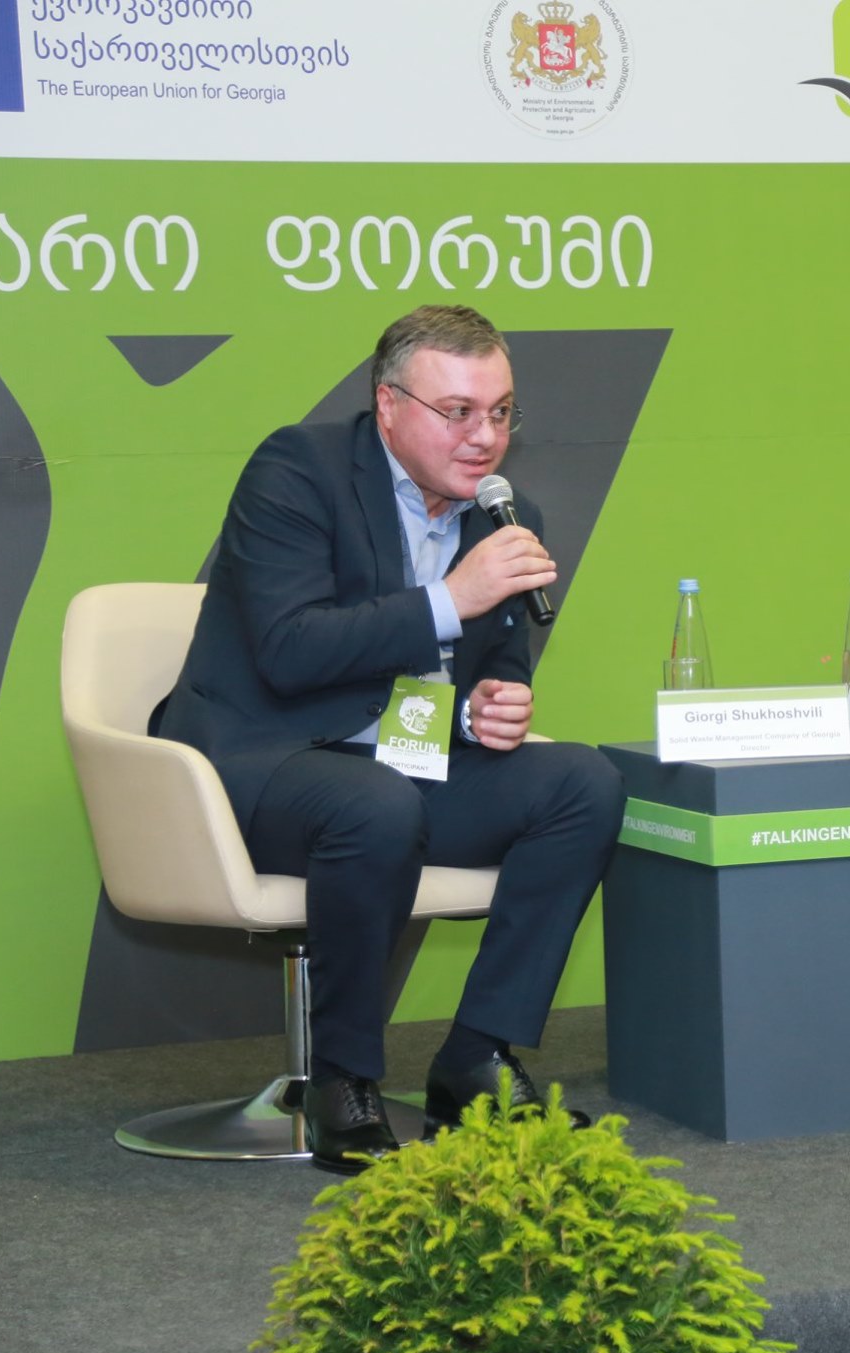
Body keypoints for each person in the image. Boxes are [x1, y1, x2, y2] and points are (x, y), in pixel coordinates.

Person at [156, 304, 627, 1172]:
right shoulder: (296, 471)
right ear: (387, 404)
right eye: (458, 411)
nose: (485, 436)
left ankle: (477, 1056)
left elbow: (496, 662)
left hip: (402, 765)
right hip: (263, 760)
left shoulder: (504, 516)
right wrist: (453, 597)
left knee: (583, 783)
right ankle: (344, 1080)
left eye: (501, 411)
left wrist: (493, 703)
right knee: (373, 804)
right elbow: (289, 649)